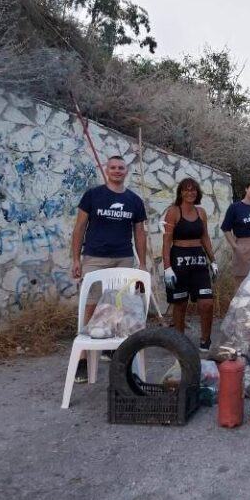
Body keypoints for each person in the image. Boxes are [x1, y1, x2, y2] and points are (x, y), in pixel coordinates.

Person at [70, 155, 147, 381]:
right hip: (95, 257)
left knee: (119, 306)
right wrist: (76, 259)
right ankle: (82, 359)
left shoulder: (134, 200)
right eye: (113, 167)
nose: (117, 171)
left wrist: (142, 264)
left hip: (124, 258)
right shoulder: (93, 196)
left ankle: (113, 350)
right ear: (106, 170)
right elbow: (79, 227)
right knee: (91, 306)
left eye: (120, 168)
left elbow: (139, 233)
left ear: (126, 171)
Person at [161, 178, 219, 351]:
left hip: (199, 262)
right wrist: (167, 268)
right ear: (180, 192)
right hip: (178, 262)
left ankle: (206, 340)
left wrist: (213, 261)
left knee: (206, 303)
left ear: (198, 193)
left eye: (193, 190)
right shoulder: (173, 212)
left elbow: (205, 238)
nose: (190, 193)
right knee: (180, 304)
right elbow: (166, 242)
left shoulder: (201, 212)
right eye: (186, 190)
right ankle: (180, 342)